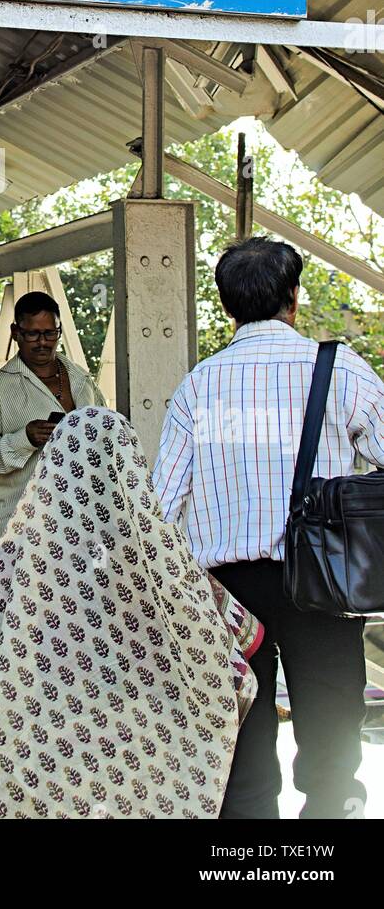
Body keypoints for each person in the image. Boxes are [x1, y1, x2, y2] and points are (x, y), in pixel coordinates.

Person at [0, 405, 262, 819]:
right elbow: (227, 652)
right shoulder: (155, 554)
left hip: (41, 755)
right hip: (140, 754)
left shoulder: (16, 559)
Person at [154, 236, 384, 821]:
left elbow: (162, 503)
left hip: (226, 590)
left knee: (242, 715)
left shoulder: (199, 385)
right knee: (331, 697)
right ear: (294, 298)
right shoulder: (339, 371)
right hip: (325, 575)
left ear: (228, 306)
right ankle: (330, 807)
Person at [0, 291, 104, 554]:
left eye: (50, 334)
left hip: (82, 524)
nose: (42, 343)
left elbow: (105, 440)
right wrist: (23, 440)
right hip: (19, 528)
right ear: (16, 332)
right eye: (33, 334)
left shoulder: (82, 381)